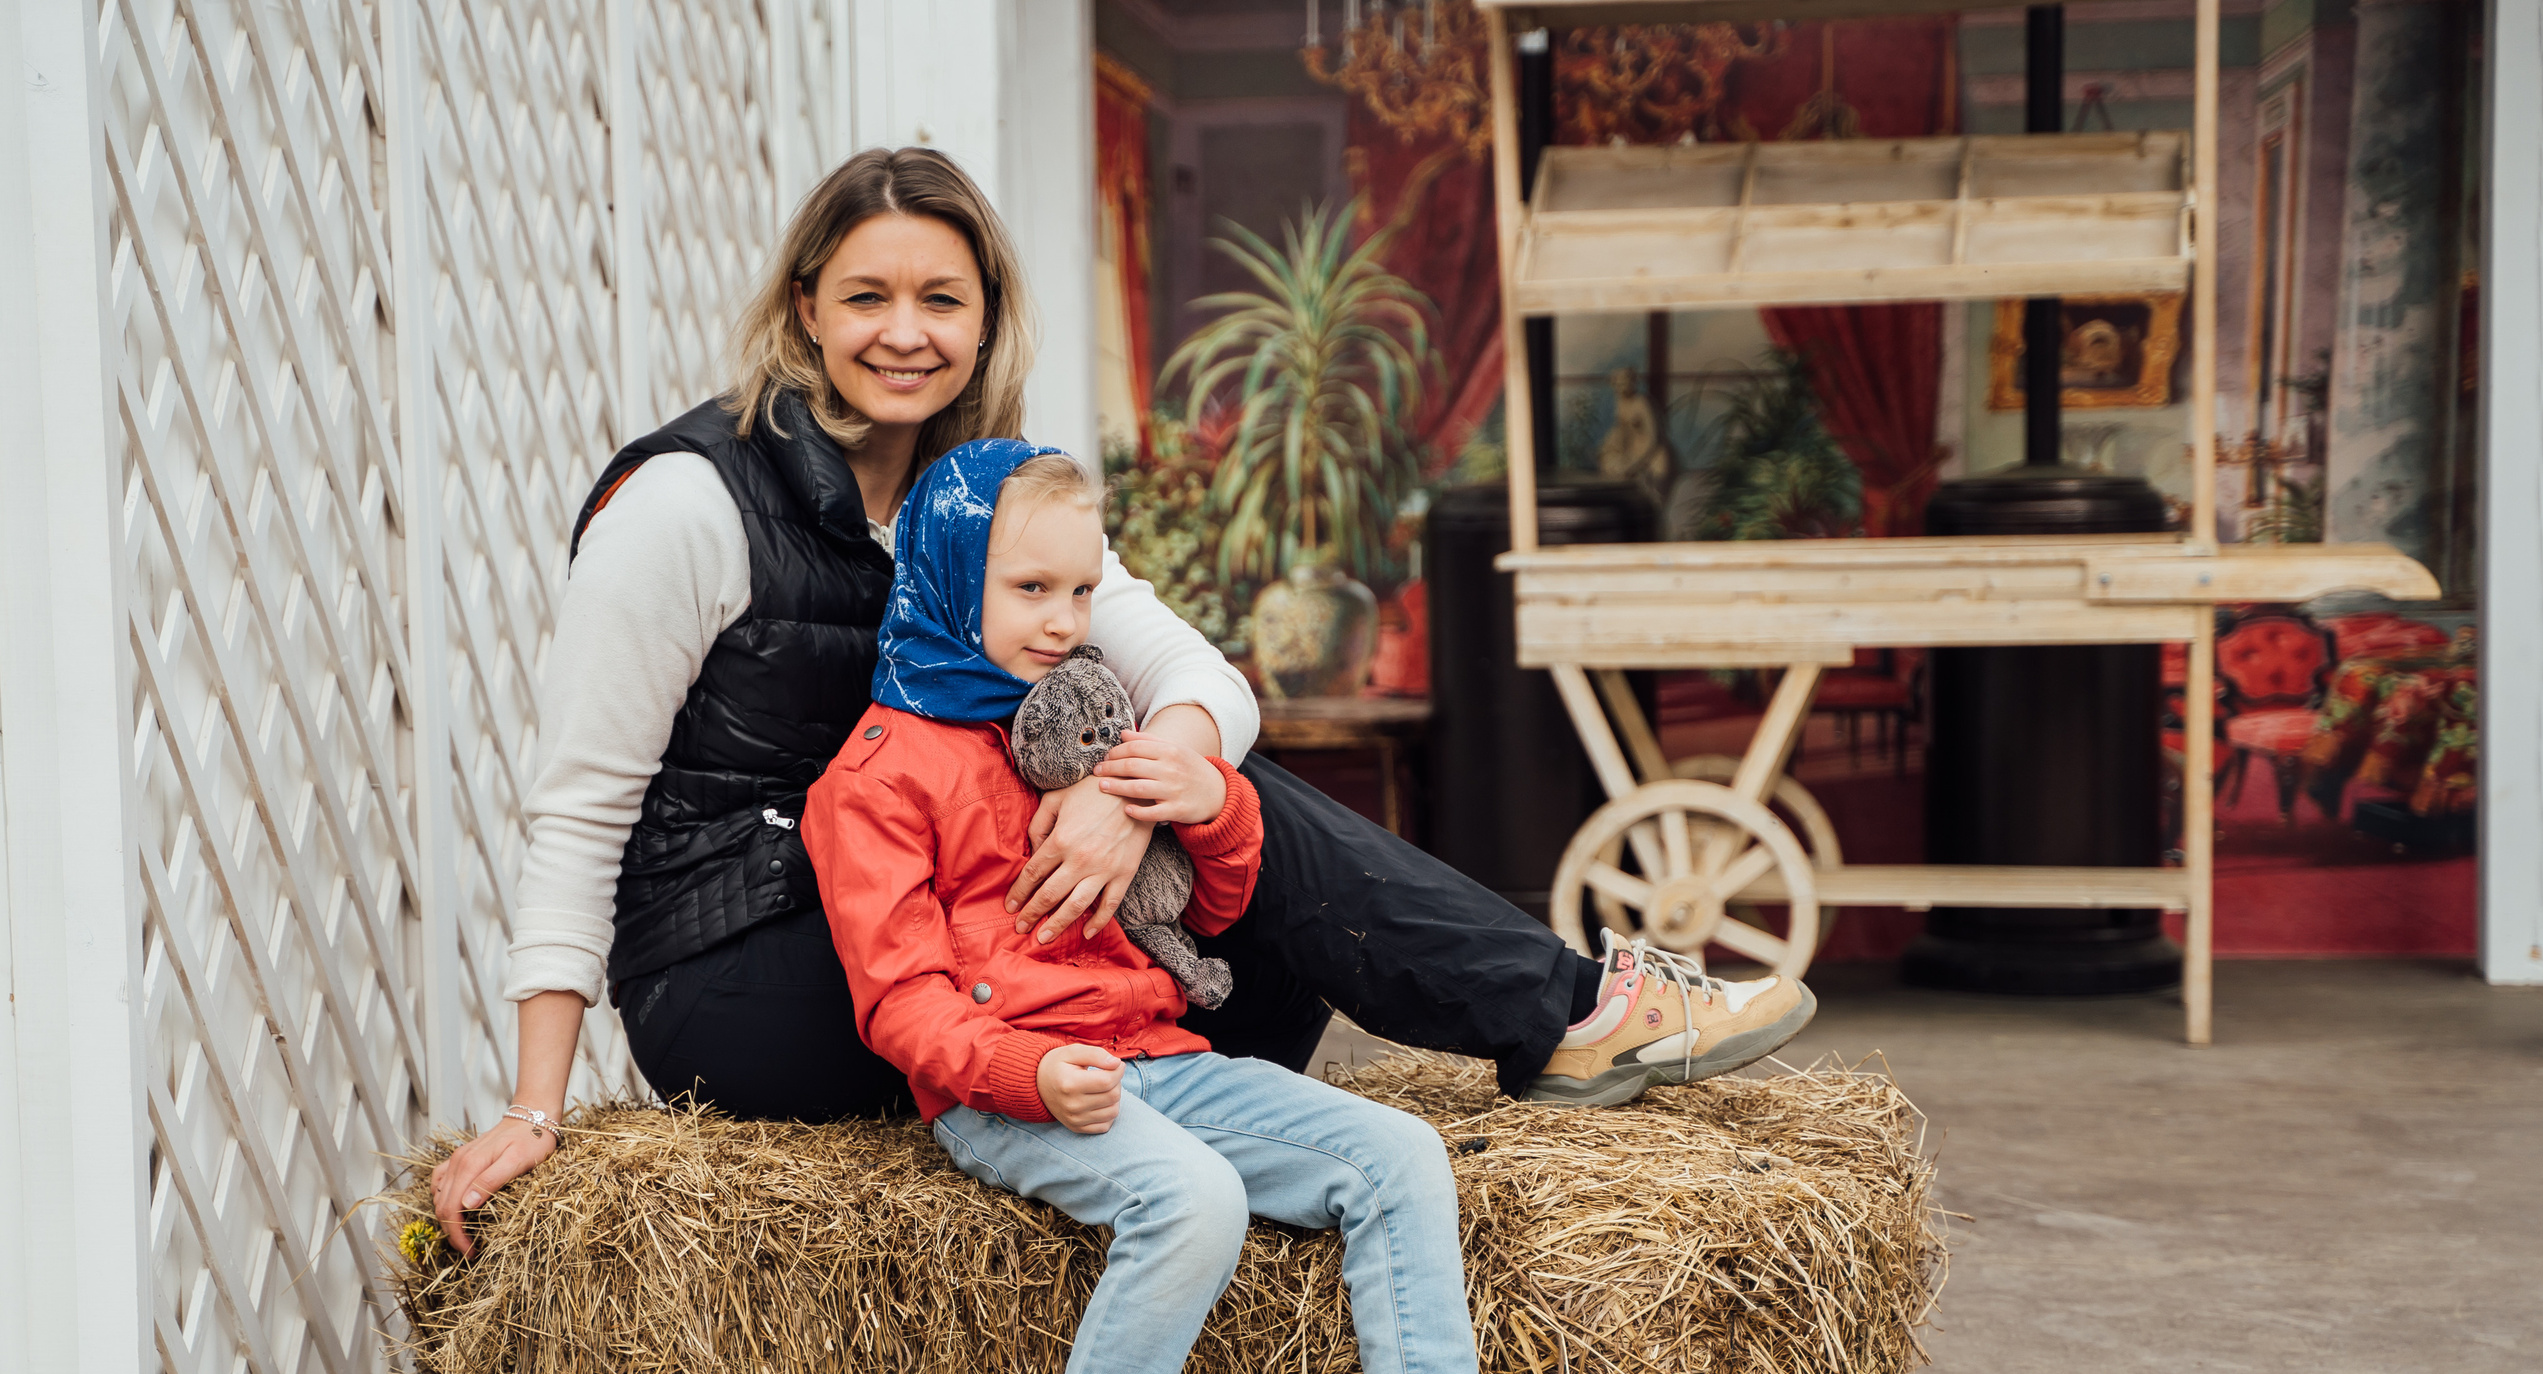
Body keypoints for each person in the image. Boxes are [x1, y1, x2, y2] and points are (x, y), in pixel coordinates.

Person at [428, 145, 1814, 1254]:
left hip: (948, 906)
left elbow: (1203, 680)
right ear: (805, 310)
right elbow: (579, 816)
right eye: (866, 297)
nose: (905, 333)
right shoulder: (683, 503)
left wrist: (1117, 790)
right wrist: (536, 1106)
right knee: (1222, 823)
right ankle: (1568, 1013)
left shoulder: (983, 497)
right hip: (742, 968)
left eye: (941, 300)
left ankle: (1277, 1134)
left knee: (1223, 818)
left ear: (985, 320)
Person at [803, 439, 1510, 1374]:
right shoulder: (873, 776)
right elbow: (897, 1003)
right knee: (1193, 1196)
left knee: (1398, 1156)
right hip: (1012, 1087)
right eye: (1030, 589)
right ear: (945, 570)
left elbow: (1208, 907)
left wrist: (1212, 804)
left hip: (1159, 1054)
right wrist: (1023, 1073)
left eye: (1081, 591)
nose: (1065, 619)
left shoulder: (1080, 725)